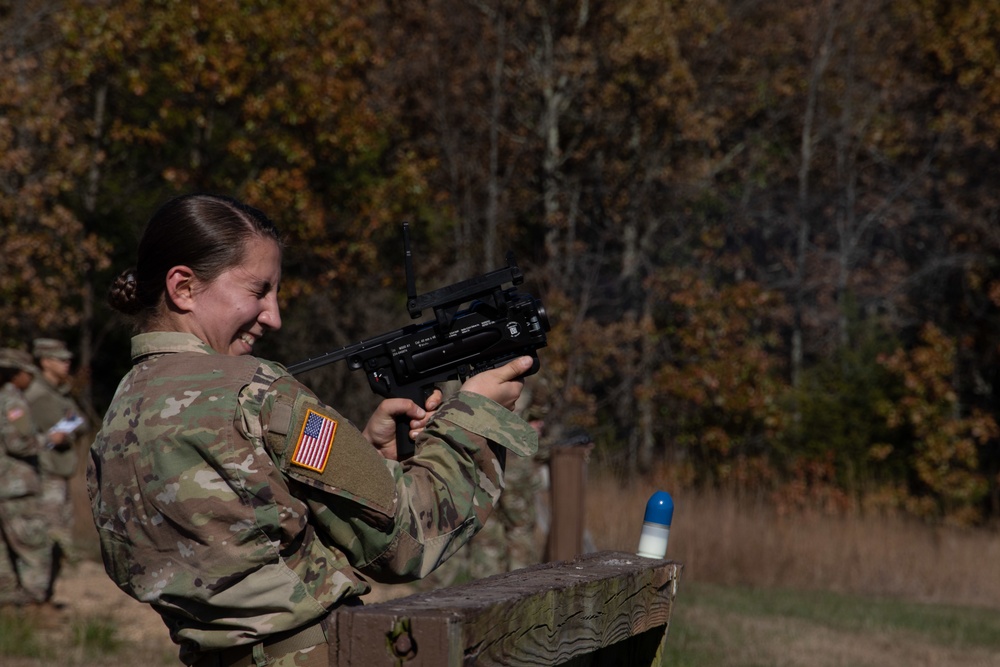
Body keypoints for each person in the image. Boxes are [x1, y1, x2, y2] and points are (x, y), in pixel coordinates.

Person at [87, 193, 537, 667]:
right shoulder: (257, 393)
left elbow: (254, 532)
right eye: (258, 291)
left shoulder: (120, 414)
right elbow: (407, 542)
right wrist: (476, 416)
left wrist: (367, 457)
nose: (274, 316)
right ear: (183, 287)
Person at [0, 348, 66, 612]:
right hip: (16, 487)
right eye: (29, 374)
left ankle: (6, 601)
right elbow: (18, 443)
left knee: (4, 547)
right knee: (34, 545)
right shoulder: (13, 400)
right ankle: (35, 604)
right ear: (17, 374)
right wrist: (49, 440)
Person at [25, 338, 86, 578]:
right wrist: (67, 428)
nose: (67, 364)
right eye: (61, 360)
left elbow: (77, 423)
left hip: (58, 470)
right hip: (46, 472)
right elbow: (57, 433)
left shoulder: (58, 392)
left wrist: (68, 427)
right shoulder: (39, 394)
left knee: (60, 530)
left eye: (68, 359)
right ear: (45, 362)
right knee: (51, 533)